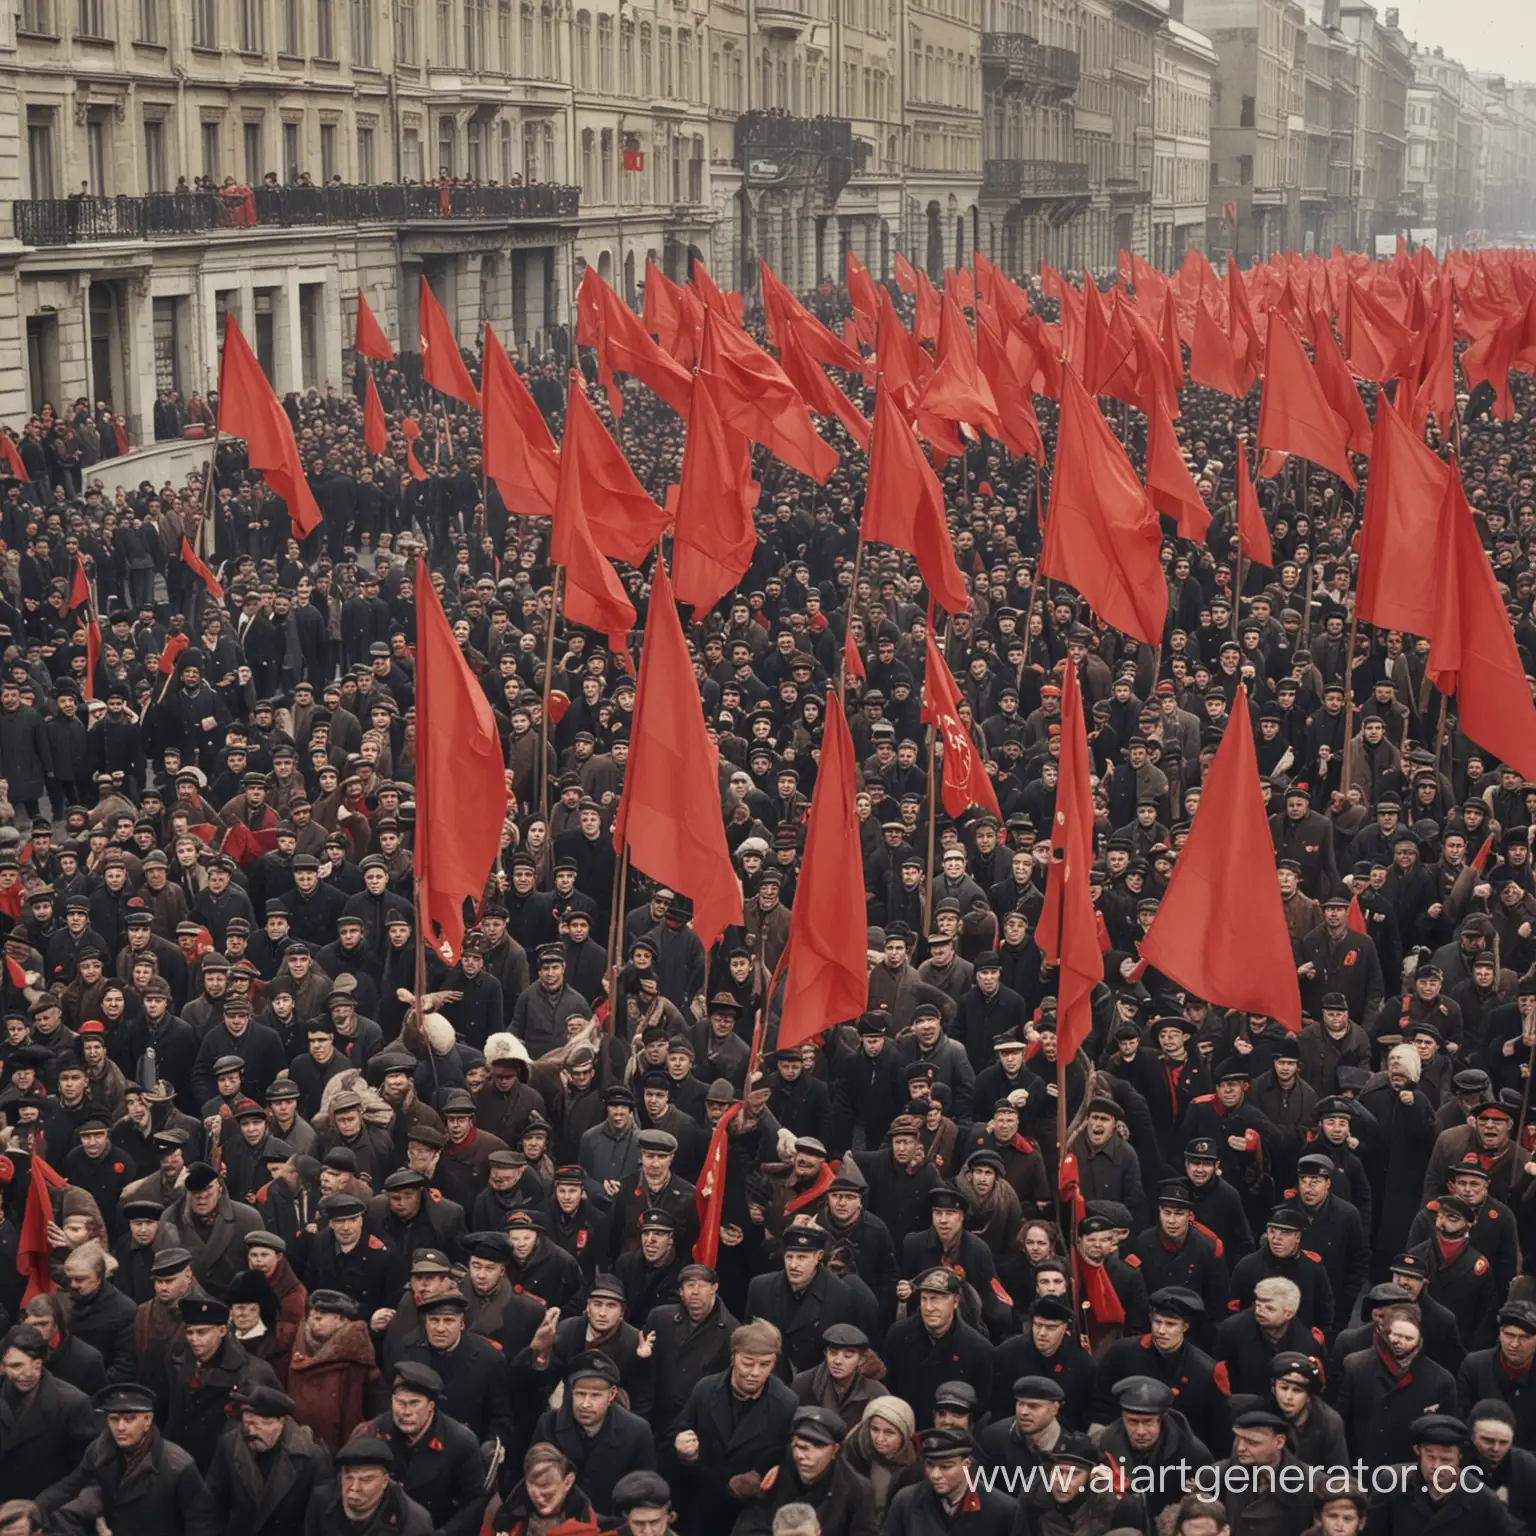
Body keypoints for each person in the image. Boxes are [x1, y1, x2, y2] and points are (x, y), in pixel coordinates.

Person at [35, 1381, 218, 1536]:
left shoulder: (177, 1465)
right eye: (114, 1419)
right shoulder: (99, 1451)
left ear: (147, 1420)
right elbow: (71, 1486)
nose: (120, 1427)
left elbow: (200, 1523)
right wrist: (34, 1509)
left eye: (129, 1419)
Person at [204, 1382, 332, 1536]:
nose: (251, 1431)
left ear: (280, 1422)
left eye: (260, 1425)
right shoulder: (229, 1445)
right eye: (247, 1423)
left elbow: (318, 1521)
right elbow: (213, 1505)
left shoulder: (311, 1458)